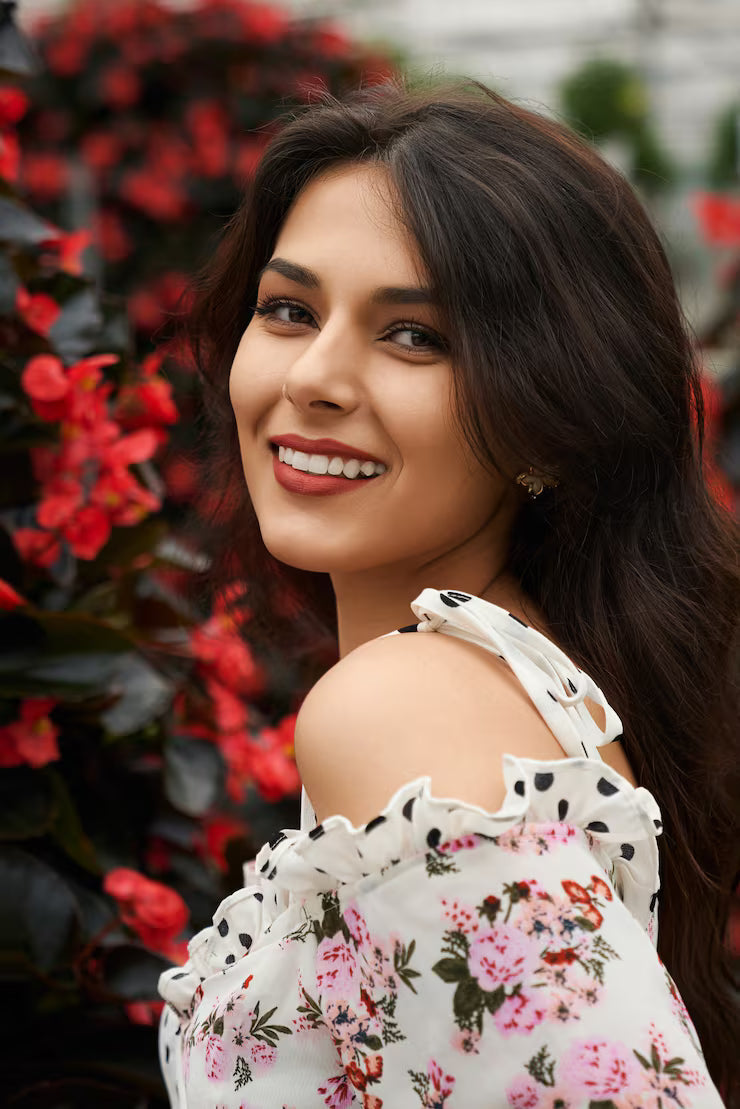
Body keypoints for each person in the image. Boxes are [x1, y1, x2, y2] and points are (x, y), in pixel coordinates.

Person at [158, 80, 739, 1107]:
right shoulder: (527, 681)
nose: (316, 377)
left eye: (414, 336)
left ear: (548, 418)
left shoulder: (405, 710)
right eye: (288, 309)